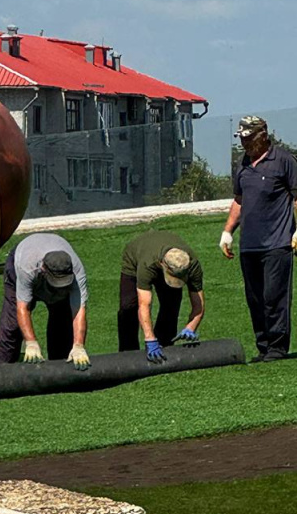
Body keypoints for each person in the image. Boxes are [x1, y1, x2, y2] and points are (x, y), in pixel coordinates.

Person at [220, 115, 297, 362]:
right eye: (241, 138)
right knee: (255, 299)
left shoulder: (283, 161)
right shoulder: (242, 164)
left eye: (248, 138)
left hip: (278, 243)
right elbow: (239, 200)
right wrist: (227, 232)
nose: (244, 143)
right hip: (249, 245)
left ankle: (277, 347)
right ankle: (262, 346)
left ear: (262, 136)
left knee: (274, 296)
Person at [0, 232, 90, 369]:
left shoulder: (76, 271)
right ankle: (1, 372)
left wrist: (79, 345)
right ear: (44, 270)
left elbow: (79, 310)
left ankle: (61, 370)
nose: (59, 286)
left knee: (62, 321)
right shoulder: (27, 267)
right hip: (20, 262)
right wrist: (31, 342)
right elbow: (22, 308)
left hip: (50, 265)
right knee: (12, 325)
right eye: (56, 281)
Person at [118, 230, 205, 363]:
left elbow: (198, 303)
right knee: (128, 306)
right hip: (135, 258)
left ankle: (166, 347)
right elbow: (144, 304)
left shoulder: (192, 265)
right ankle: (128, 352)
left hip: (159, 255)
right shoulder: (148, 264)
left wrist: (191, 326)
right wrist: (150, 339)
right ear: (162, 264)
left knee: (171, 304)